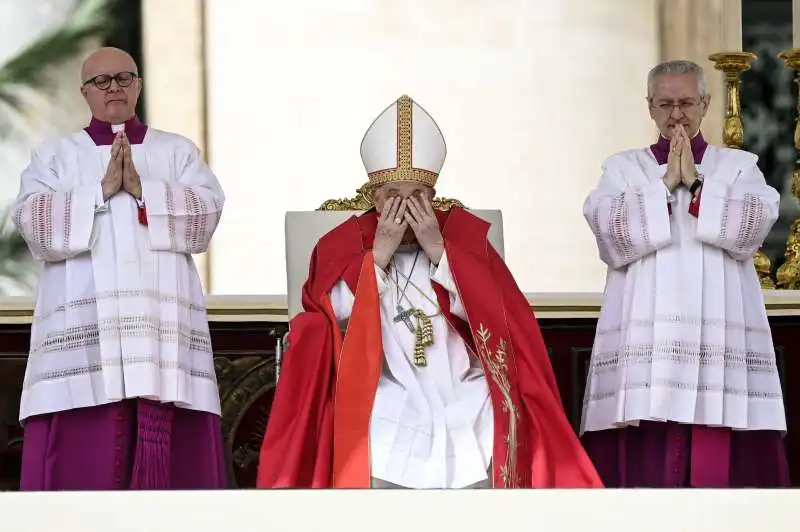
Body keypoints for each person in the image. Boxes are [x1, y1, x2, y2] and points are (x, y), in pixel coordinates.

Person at [256, 94, 603, 489]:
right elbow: (324, 320)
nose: (404, 208)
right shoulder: (341, 246)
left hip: (462, 382)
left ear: (433, 197)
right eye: (392, 197)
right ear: (373, 197)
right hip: (383, 382)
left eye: (416, 197)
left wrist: (440, 251)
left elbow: (503, 319)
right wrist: (377, 259)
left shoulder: (465, 241)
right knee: (381, 417)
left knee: (487, 409)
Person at [13, 47, 227, 490]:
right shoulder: (54, 156)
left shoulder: (177, 151)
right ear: (85, 93)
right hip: (87, 327)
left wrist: (143, 189)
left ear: (139, 86)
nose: (114, 88)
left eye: (124, 78)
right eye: (102, 81)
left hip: (158, 329)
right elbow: (32, 223)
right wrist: (100, 191)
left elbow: (205, 218)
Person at [581, 60, 789, 488]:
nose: (676, 115)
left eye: (687, 103)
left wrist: (697, 187)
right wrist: (660, 188)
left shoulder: (738, 167)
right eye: (665, 104)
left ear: (706, 104)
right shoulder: (622, 170)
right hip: (648, 340)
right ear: (650, 107)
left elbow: (752, 228)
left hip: (718, 336)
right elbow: (609, 235)